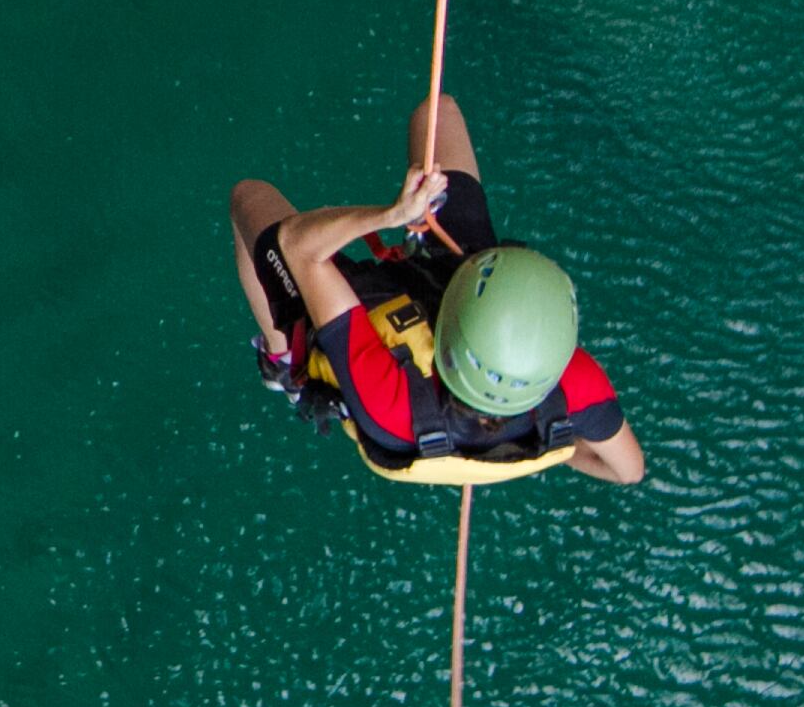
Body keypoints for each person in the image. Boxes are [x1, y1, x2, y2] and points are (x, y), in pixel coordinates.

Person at [229, 94, 645, 486]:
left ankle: (282, 357)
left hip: (378, 348)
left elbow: (299, 248)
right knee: (437, 112)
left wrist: (392, 215)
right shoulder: (574, 380)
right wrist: (525, 450)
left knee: (249, 197)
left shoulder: (391, 400)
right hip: (449, 287)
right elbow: (629, 470)